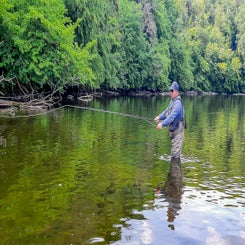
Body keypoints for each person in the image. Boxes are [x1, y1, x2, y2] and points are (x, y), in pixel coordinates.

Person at [154, 81, 185, 158]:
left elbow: (171, 117)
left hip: (178, 131)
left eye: (172, 91)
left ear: (176, 91)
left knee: (175, 155)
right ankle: (175, 169)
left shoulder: (178, 103)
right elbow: (166, 111)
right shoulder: (172, 100)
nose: (170, 92)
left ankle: (176, 169)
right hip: (173, 130)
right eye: (170, 90)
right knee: (173, 154)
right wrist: (159, 117)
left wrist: (162, 124)